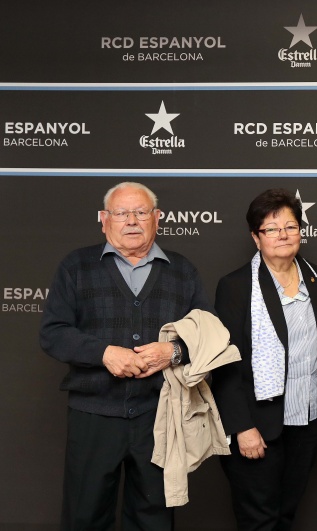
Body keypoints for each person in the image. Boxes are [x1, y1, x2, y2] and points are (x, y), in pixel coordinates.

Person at [40, 182, 212, 530]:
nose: (131, 221)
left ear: (157, 218)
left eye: (141, 212)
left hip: (160, 415)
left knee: (154, 517)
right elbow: (53, 333)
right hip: (93, 414)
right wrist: (103, 353)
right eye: (121, 213)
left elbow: (209, 336)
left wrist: (174, 351)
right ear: (104, 220)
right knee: (85, 515)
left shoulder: (182, 271)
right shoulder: (77, 266)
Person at [212, 188, 317, 531]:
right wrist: (241, 427)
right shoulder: (236, 287)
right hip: (257, 423)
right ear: (256, 237)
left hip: (306, 419)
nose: (283, 235)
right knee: (259, 519)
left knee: (286, 514)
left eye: (290, 226)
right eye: (271, 228)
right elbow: (224, 367)